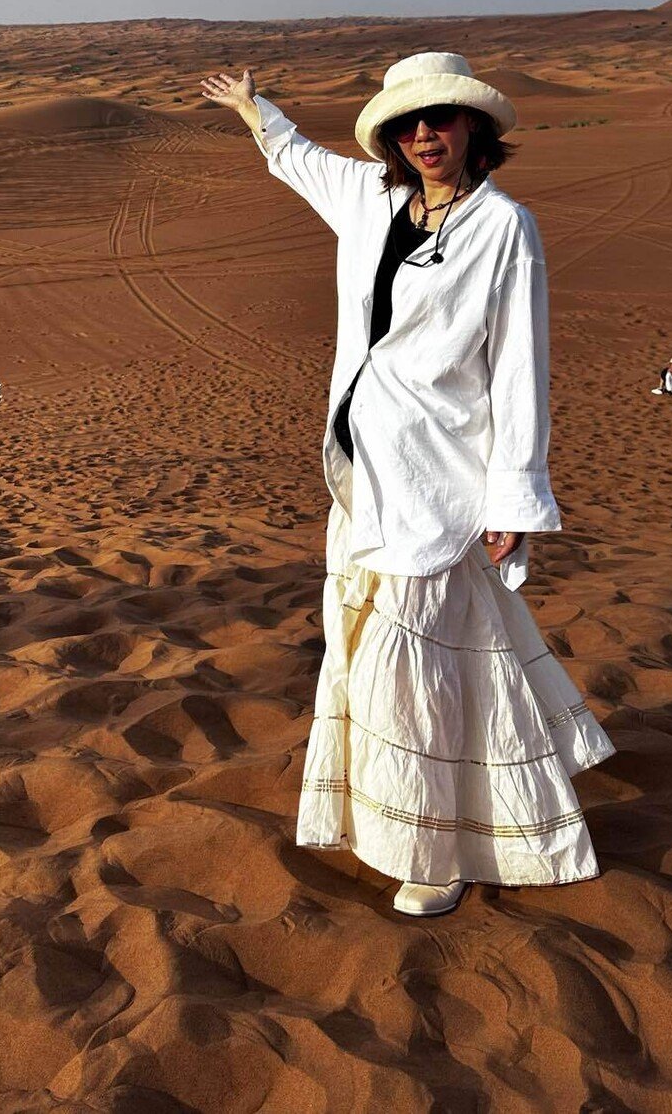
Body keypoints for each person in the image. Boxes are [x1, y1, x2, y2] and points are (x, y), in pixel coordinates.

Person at [201, 52, 614, 919]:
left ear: (475, 130)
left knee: (411, 662)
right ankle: (446, 812)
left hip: (442, 482)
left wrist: (514, 497)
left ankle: (434, 849)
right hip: (360, 476)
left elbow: (518, 369)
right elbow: (298, 158)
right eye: (406, 124)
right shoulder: (373, 199)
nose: (424, 134)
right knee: (396, 651)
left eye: (441, 119)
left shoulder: (504, 226)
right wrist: (253, 108)